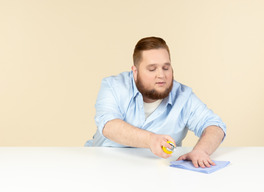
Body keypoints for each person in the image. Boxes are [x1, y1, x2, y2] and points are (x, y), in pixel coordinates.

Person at [85, 36, 226, 168]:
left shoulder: (183, 96)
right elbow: (108, 125)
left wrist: (201, 151)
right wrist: (150, 140)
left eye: (166, 68)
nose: (161, 75)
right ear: (135, 71)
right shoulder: (113, 86)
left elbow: (215, 125)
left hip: (158, 171)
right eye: (152, 69)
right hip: (104, 165)